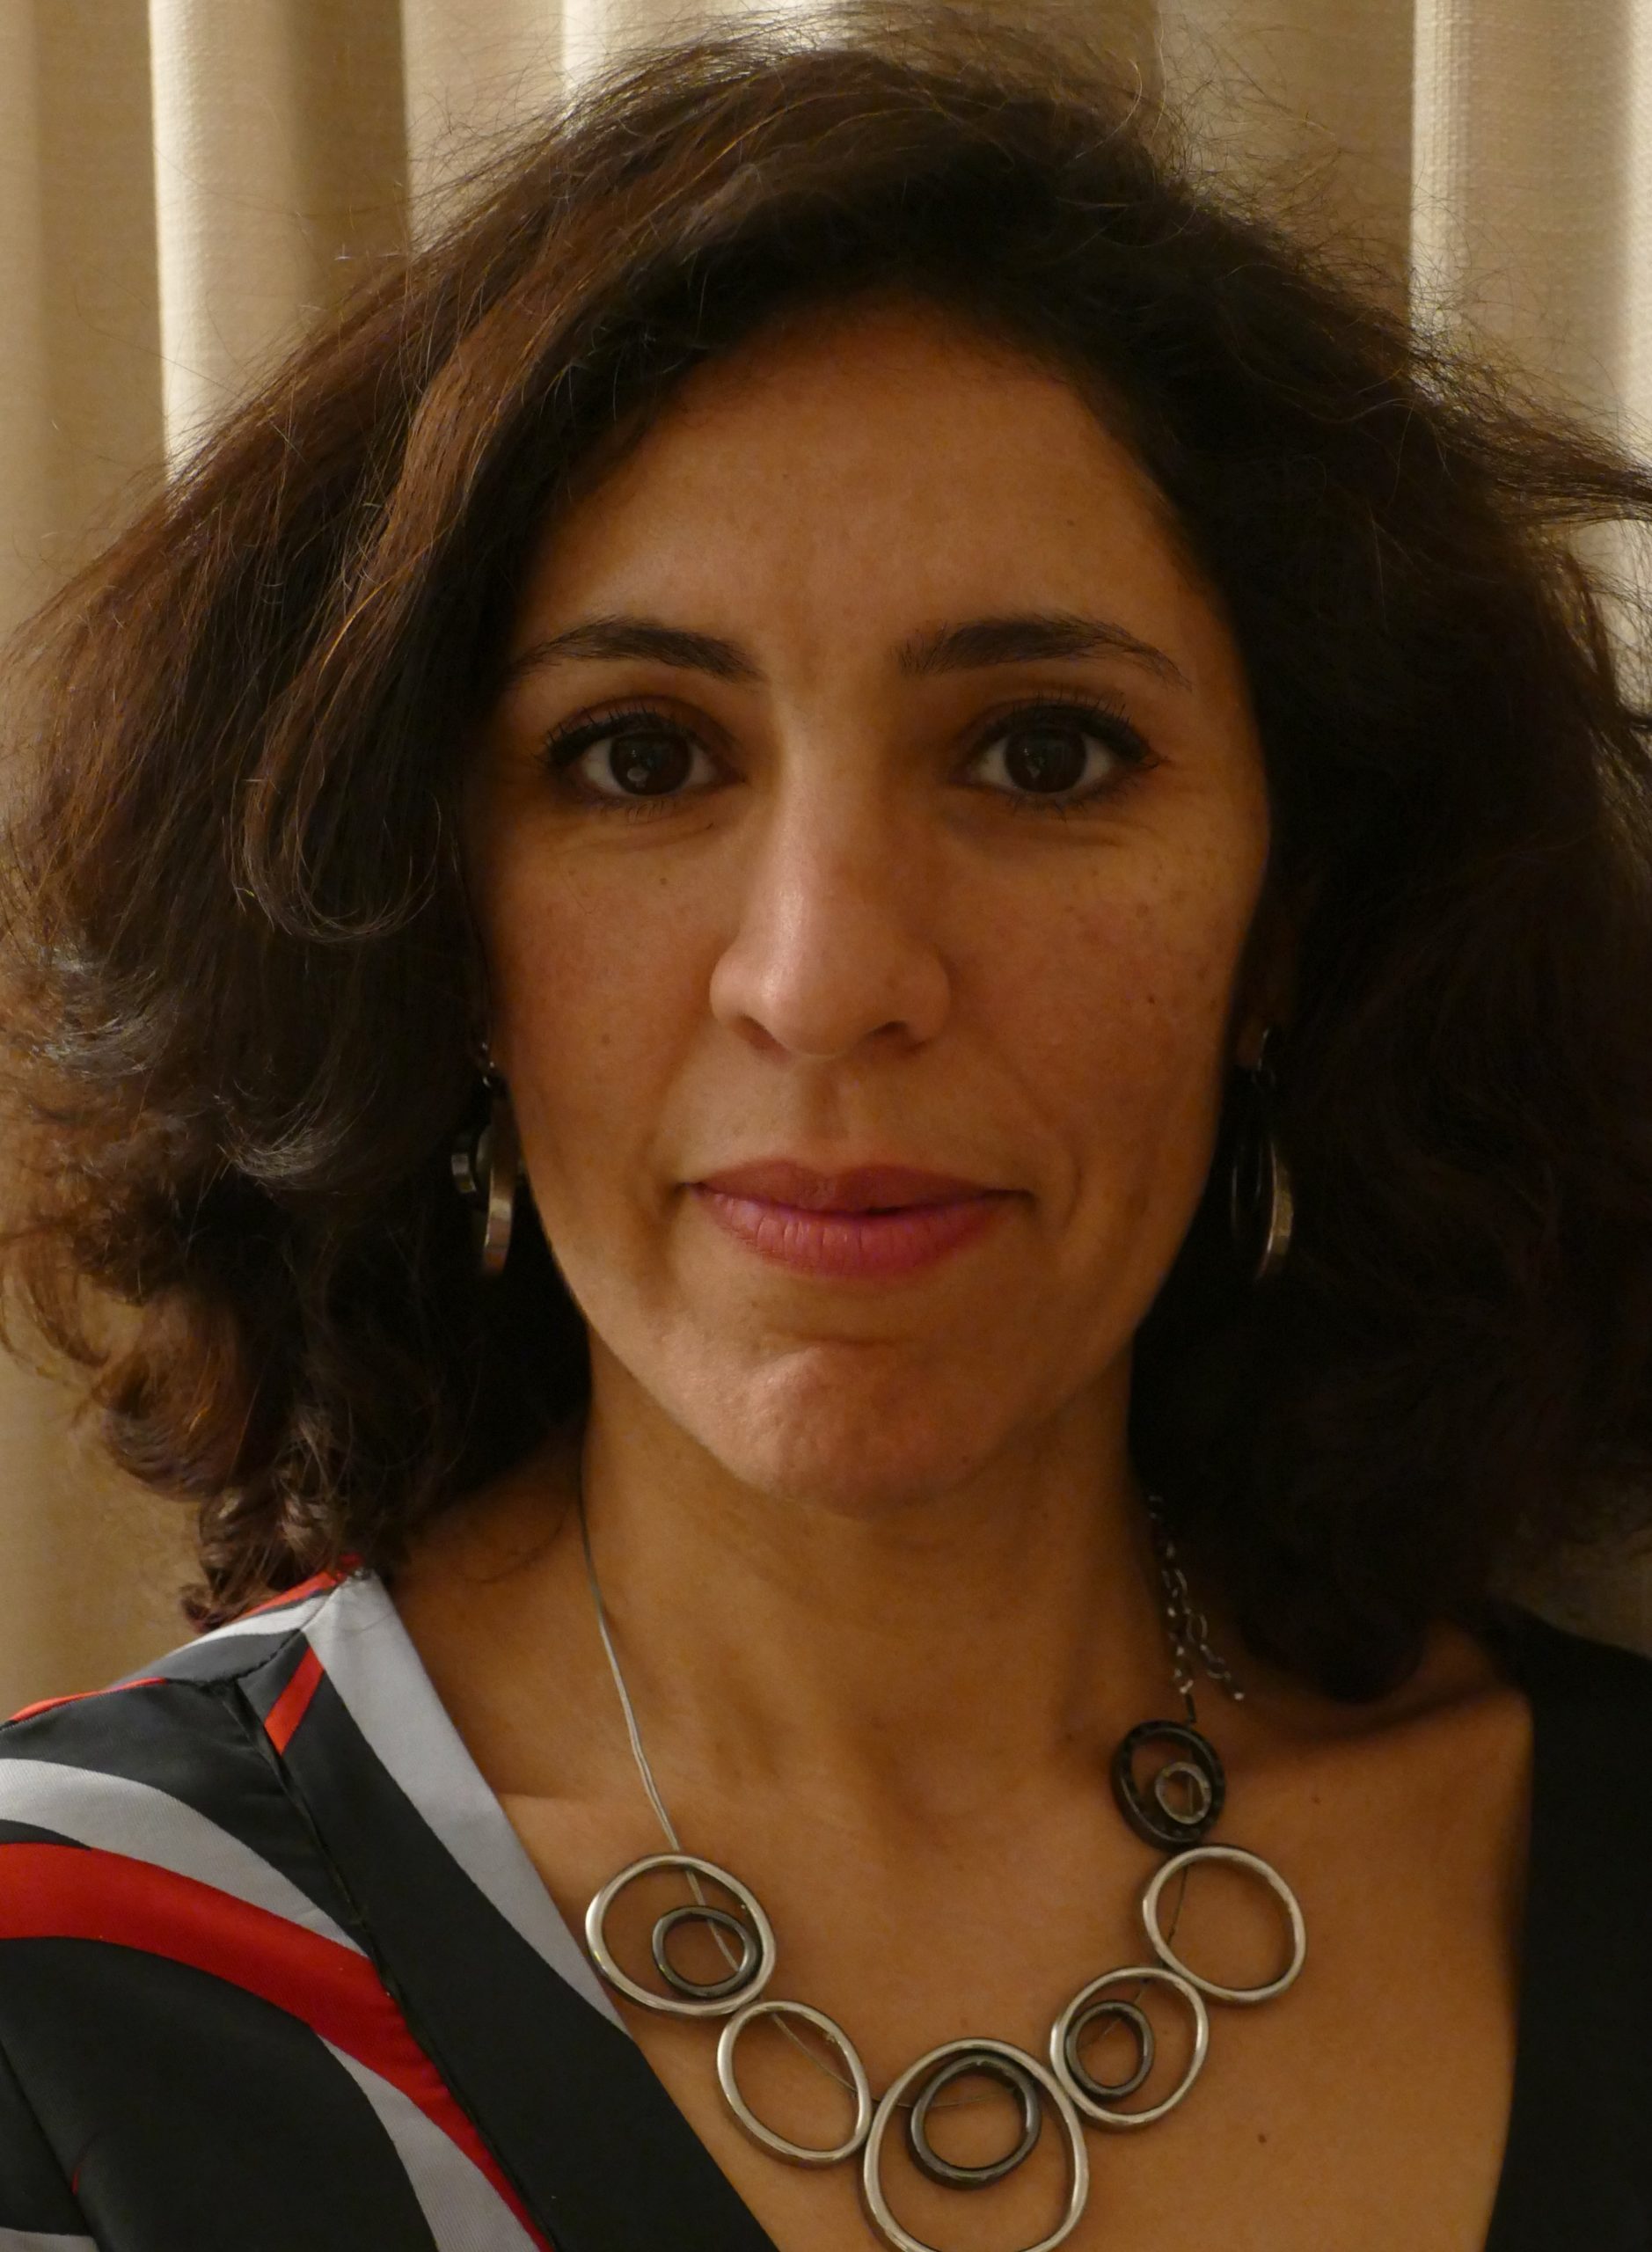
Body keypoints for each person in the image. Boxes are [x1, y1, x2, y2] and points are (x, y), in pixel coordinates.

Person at [2, 6, 1650, 2248]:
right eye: (641, 757)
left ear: (1294, 912)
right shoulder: (78, 1982)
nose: (827, 971)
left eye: (1045, 754)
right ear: (437, 921)